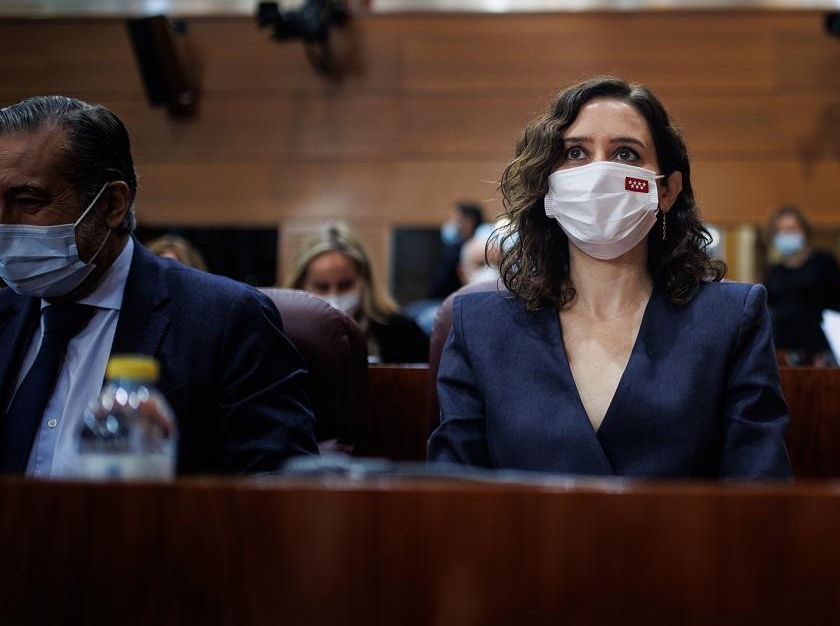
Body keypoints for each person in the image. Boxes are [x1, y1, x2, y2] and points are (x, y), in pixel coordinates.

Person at [428, 76, 791, 479]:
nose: (599, 171)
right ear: (547, 184)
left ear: (666, 190)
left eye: (625, 153)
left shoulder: (730, 320)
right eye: (576, 152)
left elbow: (759, 496)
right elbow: (453, 501)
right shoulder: (479, 325)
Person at [0, 96, 317, 476]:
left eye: (27, 199)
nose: (4, 222)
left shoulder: (224, 320)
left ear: (112, 205)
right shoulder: (6, 313)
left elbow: (277, 488)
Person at [286, 222, 430, 364]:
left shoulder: (403, 332)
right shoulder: (285, 336)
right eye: (322, 287)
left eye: (345, 285)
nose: (334, 296)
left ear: (365, 279)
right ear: (301, 285)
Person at [763, 206, 840, 366]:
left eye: (791, 229)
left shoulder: (824, 262)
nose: (786, 235)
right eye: (781, 231)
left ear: (803, 231)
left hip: (821, 352)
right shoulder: (774, 272)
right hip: (785, 353)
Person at [427, 202, 483, 300]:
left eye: (456, 219)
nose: (453, 223)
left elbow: (442, 280)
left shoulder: (460, 249)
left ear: (469, 221)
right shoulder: (455, 246)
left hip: (454, 299)